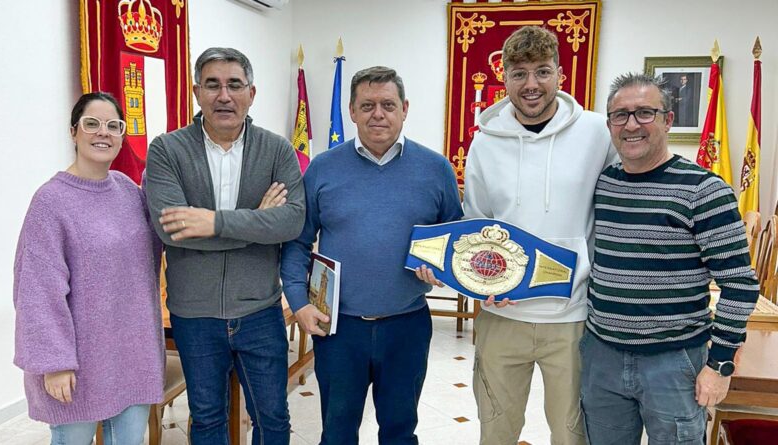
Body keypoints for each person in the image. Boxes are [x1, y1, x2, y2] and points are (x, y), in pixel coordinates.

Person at [280, 66, 463, 445]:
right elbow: (297, 243)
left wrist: (442, 269)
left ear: (405, 109)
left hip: (407, 326)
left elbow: (455, 243)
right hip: (340, 328)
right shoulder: (323, 169)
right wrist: (298, 303)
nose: (377, 114)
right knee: (338, 432)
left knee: (399, 431)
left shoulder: (436, 169)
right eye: (367, 105)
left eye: (387, 104)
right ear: (351, 111)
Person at [580, 72, 759, 444]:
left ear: (668, 120)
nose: (631, 125)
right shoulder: (603, 185)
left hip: (674, 363)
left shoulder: (704, 191)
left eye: (645, 113)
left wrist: (720, 365)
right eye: (620, 115)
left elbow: (740, 286)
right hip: (602, 358)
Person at [459, 26, 617, 445]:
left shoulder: (597, 133)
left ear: (561, 76)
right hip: (502, 315)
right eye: (520, 73)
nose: (531, 84)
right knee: (496, 430)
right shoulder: (484, 143)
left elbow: (616, 212)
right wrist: (481, 283)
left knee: (572, 434)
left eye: (543, 72)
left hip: (573, 316)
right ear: (505, 77)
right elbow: (478, 225)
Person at [144, 47, 304, 445]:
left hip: (261, 312)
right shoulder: (167, 150)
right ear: (197, 92)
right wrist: (257, 221)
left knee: (273, 420)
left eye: (235, 85)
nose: (224, 95)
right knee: (208, 419)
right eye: (212, 85)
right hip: (193, 316)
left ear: (252, 93)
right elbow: (172, 230)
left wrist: (210, 221)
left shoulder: (278, 150)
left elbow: (291, 221)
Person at [13, 92, 164, 445]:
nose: (103, 133)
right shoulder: (51, 202)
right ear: (73, 132)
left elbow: (160, 241)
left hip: (131, 352)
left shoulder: (128, 190)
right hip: (77, 361)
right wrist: (54, 362)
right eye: (92, 124)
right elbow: (37, 289)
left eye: (114, 126)